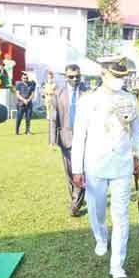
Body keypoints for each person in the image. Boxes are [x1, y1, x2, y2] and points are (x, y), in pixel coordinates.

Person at [71, 56, 139, 278]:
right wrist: (77, 169)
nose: (120, 81)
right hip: (95, 163)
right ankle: (101, 237)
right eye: (116, 77)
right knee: (97, 210)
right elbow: (79, 136)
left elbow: (138, 130)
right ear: (103, 74)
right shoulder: (88, 100)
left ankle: (117, 266)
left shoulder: (130, 99)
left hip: (122, 164)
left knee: (121, 215)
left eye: (123, 77)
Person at [49, 65, 89, 216]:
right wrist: (52, 139)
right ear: (65, 76)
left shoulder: (88, 92)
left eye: (77, 76)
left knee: (81, 171)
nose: (75, 79)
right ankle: (76, 196)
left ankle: (75, 204)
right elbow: (53, 118)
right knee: (69, 172)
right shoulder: (58, 93)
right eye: (71, 76)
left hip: (86, 139)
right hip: (65, 138)